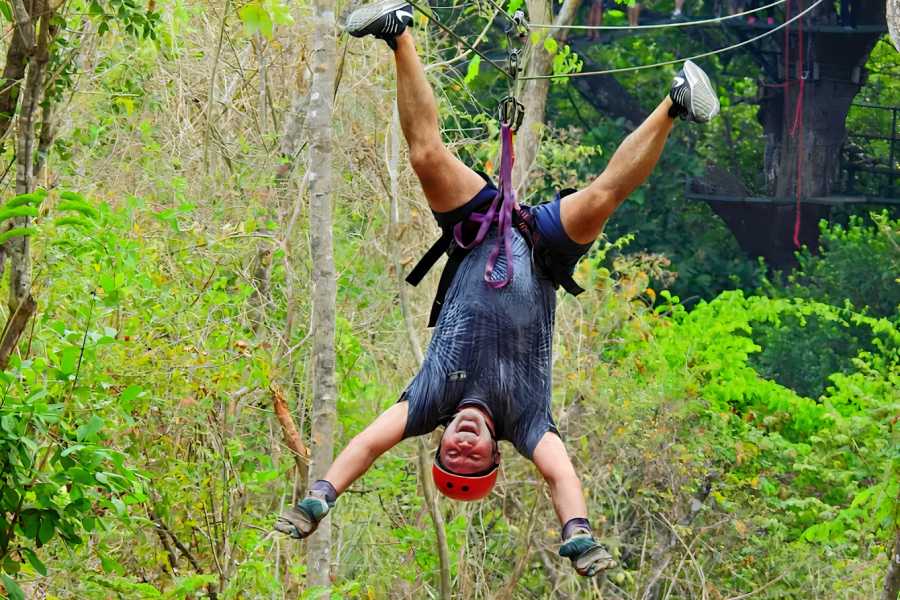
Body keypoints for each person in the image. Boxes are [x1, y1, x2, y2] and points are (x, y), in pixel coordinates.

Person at [274, 0, 720, 578]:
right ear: (493, 456)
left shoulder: (428, 402)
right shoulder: (528, 424)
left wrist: (320, 498)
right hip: (539, 251)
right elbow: (561, 475)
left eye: (450, 454)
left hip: (476, 235)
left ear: (439, 443)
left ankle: (398, 33)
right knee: (604, 197)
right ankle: (675, 102)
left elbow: (365, 445)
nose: (462, 446)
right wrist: (577, 534)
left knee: (426, 157)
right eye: (472, 458)